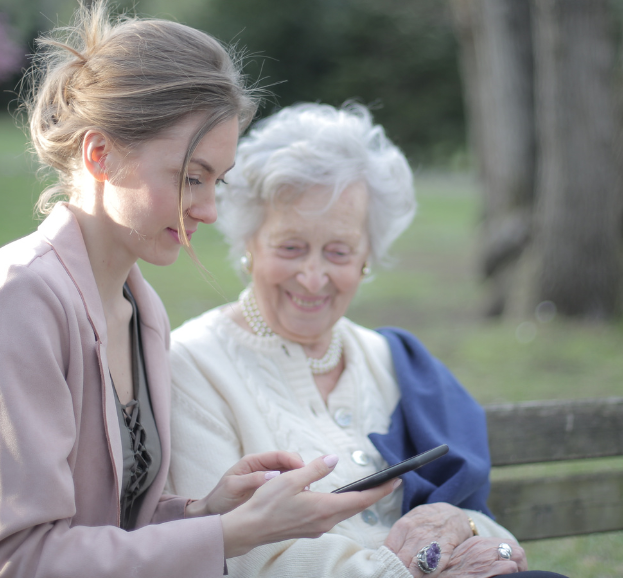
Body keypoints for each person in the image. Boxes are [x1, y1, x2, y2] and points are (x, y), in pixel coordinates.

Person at [0, 7, 396, 578]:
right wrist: (230, 534)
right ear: (99, 154)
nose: (207, 209)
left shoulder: (140, 308)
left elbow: (110, 527)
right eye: (189, 177)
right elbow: (18, 561)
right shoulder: (16, 301)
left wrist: (205, 510)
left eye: (216, 182)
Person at [167, 103, 567, 578]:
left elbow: (482, 526)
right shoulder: (191, 364)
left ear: (366, 259)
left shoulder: (393, 361)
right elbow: (243, 554)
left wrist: (474, 535)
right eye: (291, 247)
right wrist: (404, 570)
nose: (313, 278)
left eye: (338, 251)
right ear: (249, 245)